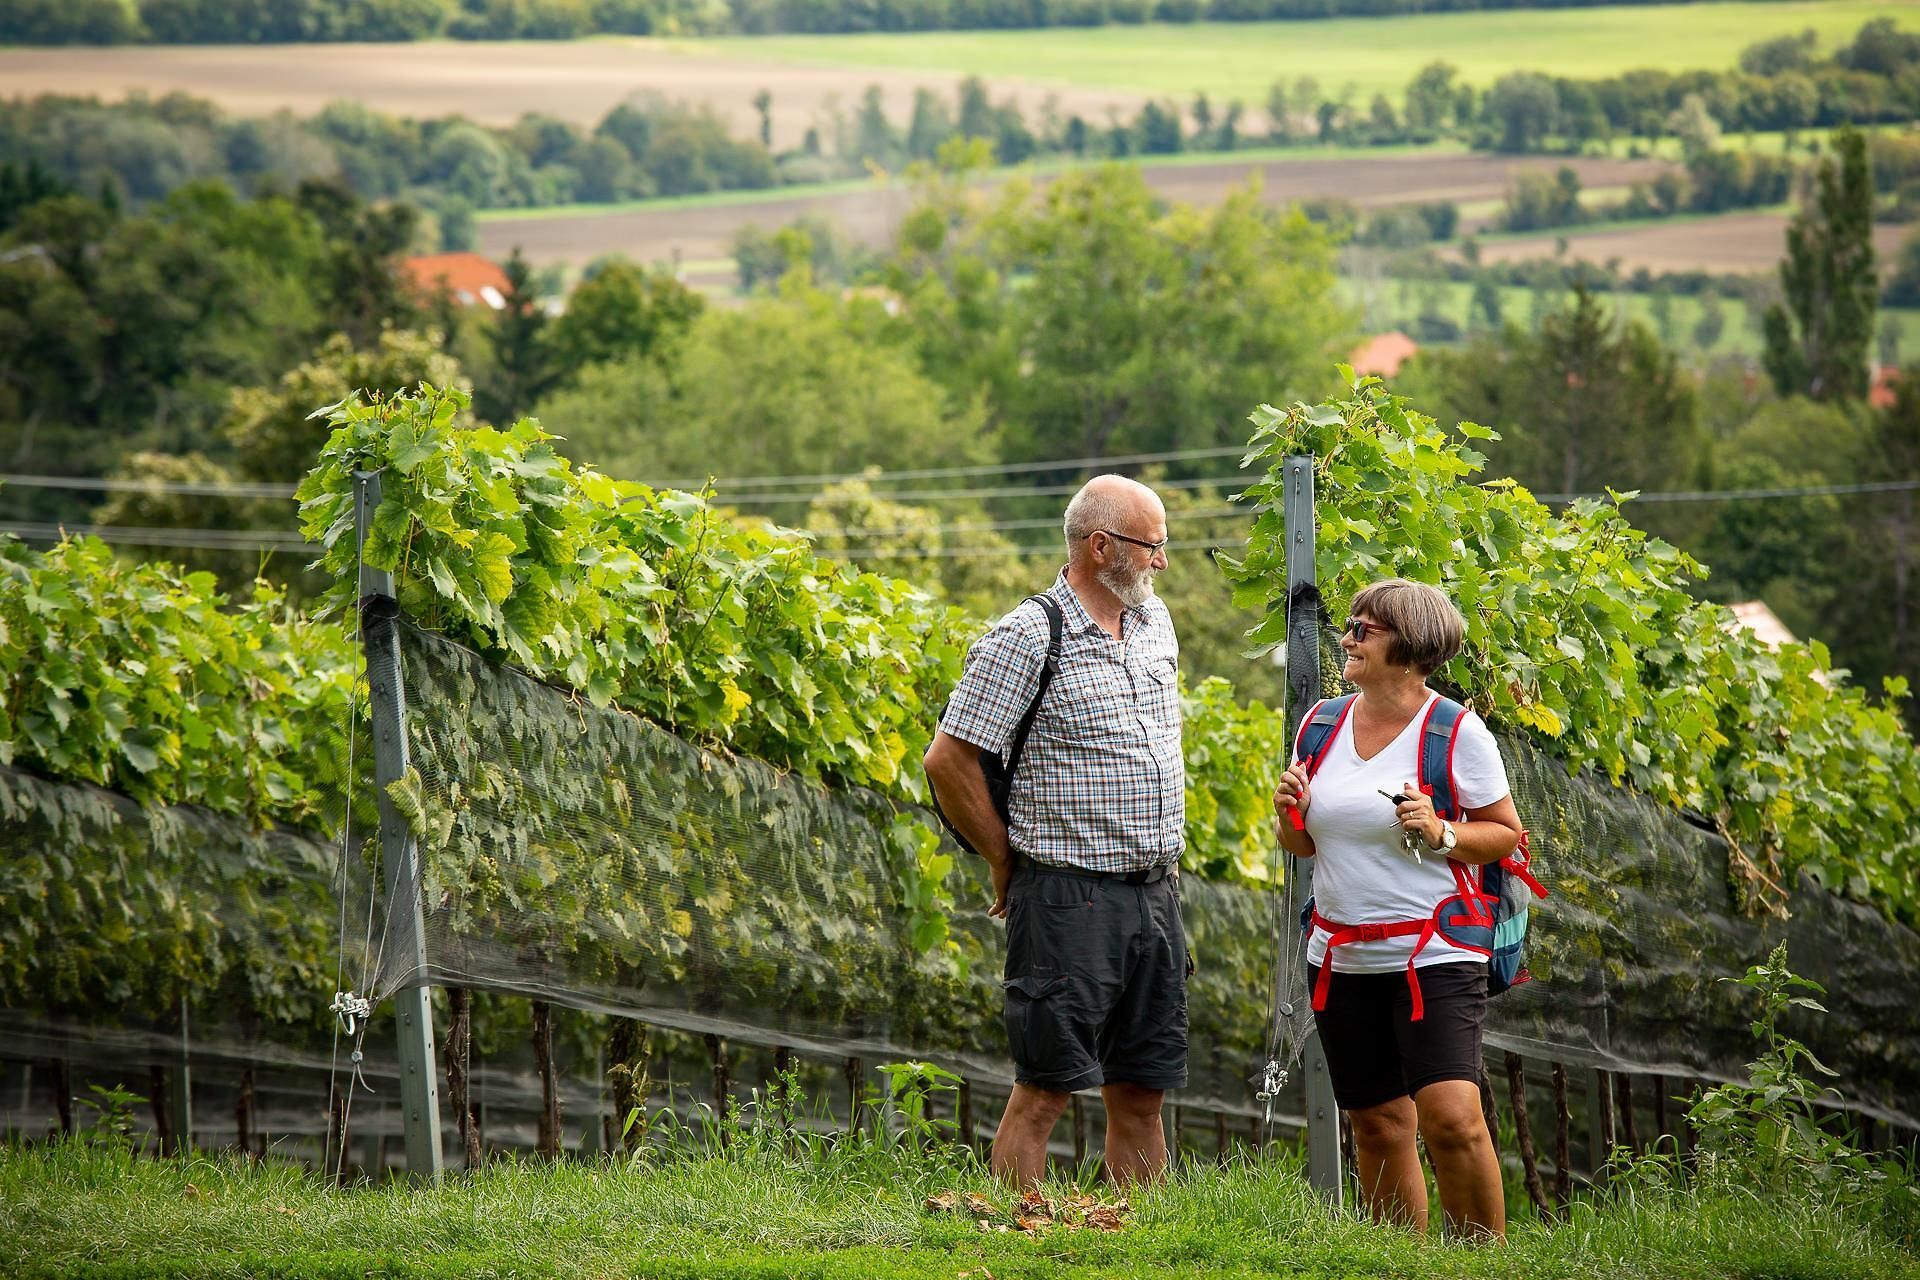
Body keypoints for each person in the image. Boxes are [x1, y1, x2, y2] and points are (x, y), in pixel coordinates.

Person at [923, 474, 1187, 1189]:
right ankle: (1019, 1240)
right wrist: (1003, 858)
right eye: (1152, 546)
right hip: (1067, 896)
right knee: (1046, 1084)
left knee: (1141, 1086)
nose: (1162, 562)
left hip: (1155, 896)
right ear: (1101, 547)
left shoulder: (1153, 622)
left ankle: (1137, 1246)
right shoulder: (1025, 636)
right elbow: (949, 760)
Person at [1271, 578, 1524, 1239]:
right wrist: (1288, 812)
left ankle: (1479, 1258)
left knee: (1451, 1117)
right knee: (1377, 1124)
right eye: (1349, 626)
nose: (1347, 639)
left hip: (1435, 953)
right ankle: (1403, 1261)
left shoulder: (1456, 732)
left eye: (1364, 630)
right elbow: (1301, 843)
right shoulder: (1320, 724)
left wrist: (1440, 830)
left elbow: (1504, 834)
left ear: (1410, 649)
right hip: (1340, 955)